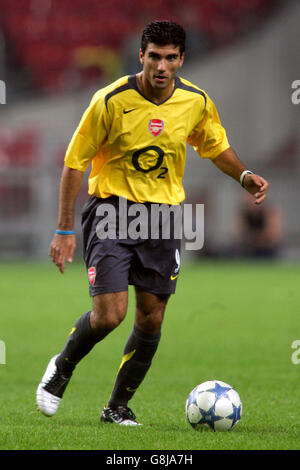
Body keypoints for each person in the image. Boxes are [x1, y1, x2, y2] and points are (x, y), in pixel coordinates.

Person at [36, 20, 269, 426]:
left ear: (181, 59)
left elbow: (214, 145)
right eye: (155, 56)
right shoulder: (110, 100)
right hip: (112, 210)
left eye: (171, 57)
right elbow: (75, 162)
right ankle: (62, 367)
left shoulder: (195, 101)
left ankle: (117, 408)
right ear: (141, 55)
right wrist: (64, 229)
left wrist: (244, 175)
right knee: (110, 314)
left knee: (151, 317)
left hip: (163, 218)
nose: (162, 66)